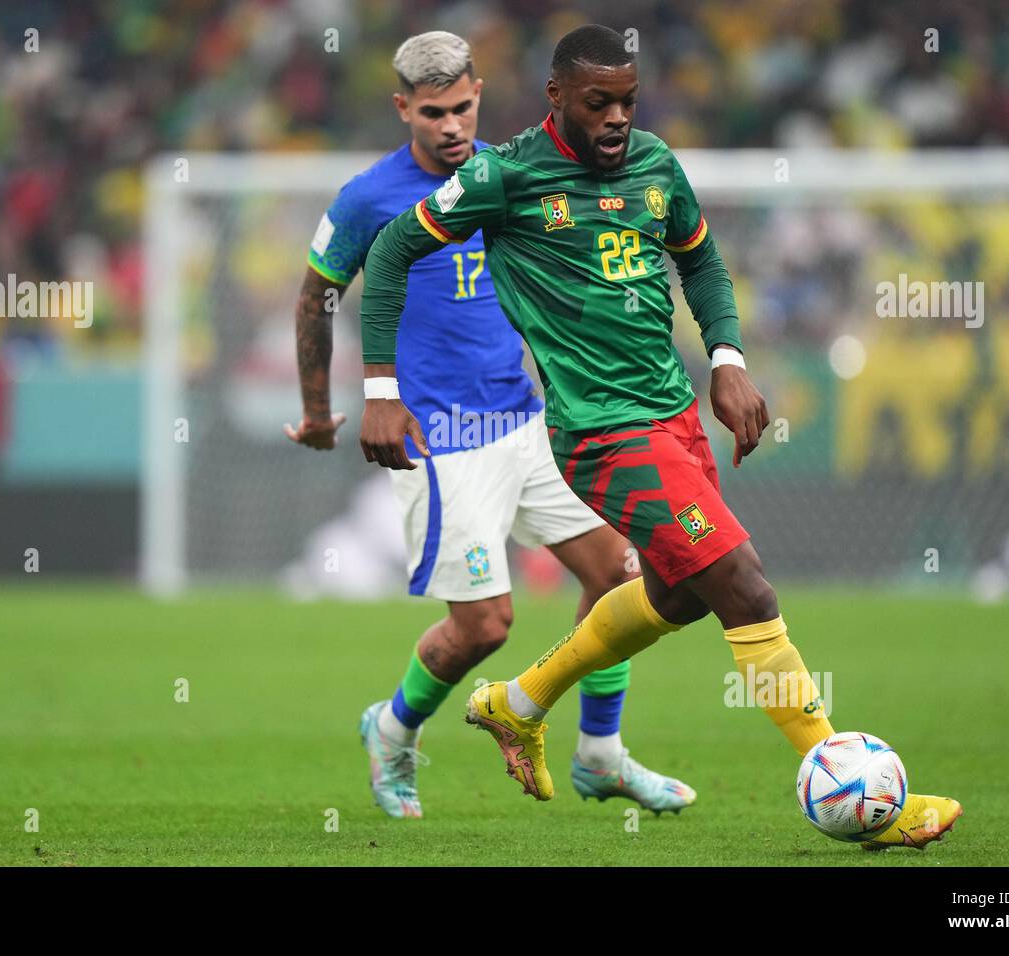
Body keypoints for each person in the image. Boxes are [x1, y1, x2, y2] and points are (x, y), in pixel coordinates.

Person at [356, 24, 961, 848]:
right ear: (557, 99)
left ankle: (519, 702)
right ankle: (849, 789)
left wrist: (728, 356)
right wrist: (381, 390)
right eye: (598, 102)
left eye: (628, 102)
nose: (615, 119)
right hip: (601, 433)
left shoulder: (655, 164)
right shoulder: (505, 176)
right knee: (744, 586)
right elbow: (390, 254)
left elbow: (702, 262)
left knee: (678, 593)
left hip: (673, 415)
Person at [288, 30, 695, 819]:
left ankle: (602, 755)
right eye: (432, 113)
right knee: (484, 628)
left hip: (530, 421)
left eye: (463, 108)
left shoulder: (512, 173)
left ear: (480, 93)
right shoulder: (369, 197)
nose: (450, 127)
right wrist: (319, 410)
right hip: (442, 444)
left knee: (620, 573)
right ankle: (393, 730)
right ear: (403, 107)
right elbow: (316, 296)